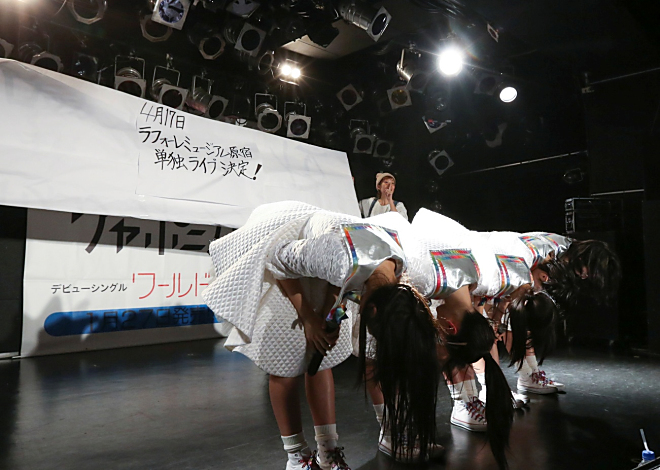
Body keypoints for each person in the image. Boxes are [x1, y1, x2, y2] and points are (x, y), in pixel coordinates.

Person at [203, 201, 410, 470]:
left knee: (321, 356)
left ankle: (327, 452)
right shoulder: (337, 257)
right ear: (371, 306)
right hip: (280, 239)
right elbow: (277, 259)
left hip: (330, 253)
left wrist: (330, 314)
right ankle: (296, 457)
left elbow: (343, 281)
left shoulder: (399, 269)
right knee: (285, 360)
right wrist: (309, 318)